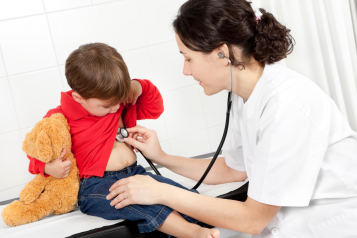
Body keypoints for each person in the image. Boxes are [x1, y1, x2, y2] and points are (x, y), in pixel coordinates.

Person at [106, 0, 357, 237]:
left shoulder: (286, 104)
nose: (186, 71)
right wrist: (162, 157)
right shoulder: (245, 96)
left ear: (222, 53)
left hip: (331, 226)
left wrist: (161, 192)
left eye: (188, 57)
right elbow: (232, 170)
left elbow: (253, 219)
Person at [27, 43, 220, 238]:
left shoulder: (116, 101)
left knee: (181, 196)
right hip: (95, 185)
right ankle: (191, 233)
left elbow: (155, 108)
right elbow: (34, 151)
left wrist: (138, 86)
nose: (115, 109)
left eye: (118, 102)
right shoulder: (60, 117)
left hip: (135, 173)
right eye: (106, 106)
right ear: (78, 98)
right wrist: (47, 168)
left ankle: (206, 225)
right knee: (138, 203)